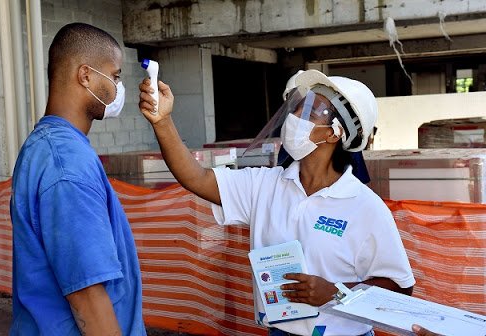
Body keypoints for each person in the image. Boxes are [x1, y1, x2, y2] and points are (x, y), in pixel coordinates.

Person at [138, 69, 415, 336]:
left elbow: (400, 287)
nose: (295, 117)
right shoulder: (265, 185)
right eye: (297, 108)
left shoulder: (364, 206)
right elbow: (196, 178)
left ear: (335, 132)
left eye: (309, 112)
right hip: (279, 331)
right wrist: (162, 122)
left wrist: (338, 292)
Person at [10, 23, 146, 336]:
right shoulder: (65, 163)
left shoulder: (48, 146)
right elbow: (86, 294)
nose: (117, 88)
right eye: (114, 76)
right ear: (85, 75)